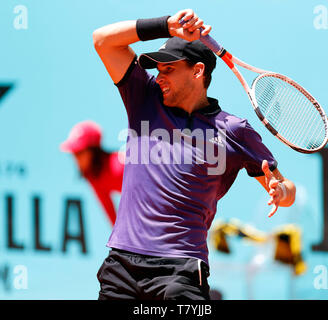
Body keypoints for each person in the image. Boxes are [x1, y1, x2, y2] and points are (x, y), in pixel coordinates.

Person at [92, 9, 296, 300]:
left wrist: (280, 192)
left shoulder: (234, 130)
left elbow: (288, 189)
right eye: (158, 71)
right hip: (121, 266)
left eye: (169, 70)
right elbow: (102, 40)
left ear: (198, 71)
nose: (159, 77)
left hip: (179, 271)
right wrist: (166, 26)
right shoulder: (143, 97)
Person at [60, 120, 124, 226]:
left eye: (79, 152)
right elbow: (114, 222)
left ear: (93, 151)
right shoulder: (93, 178)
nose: (76, 158)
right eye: (74, 153)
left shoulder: (120, 164)